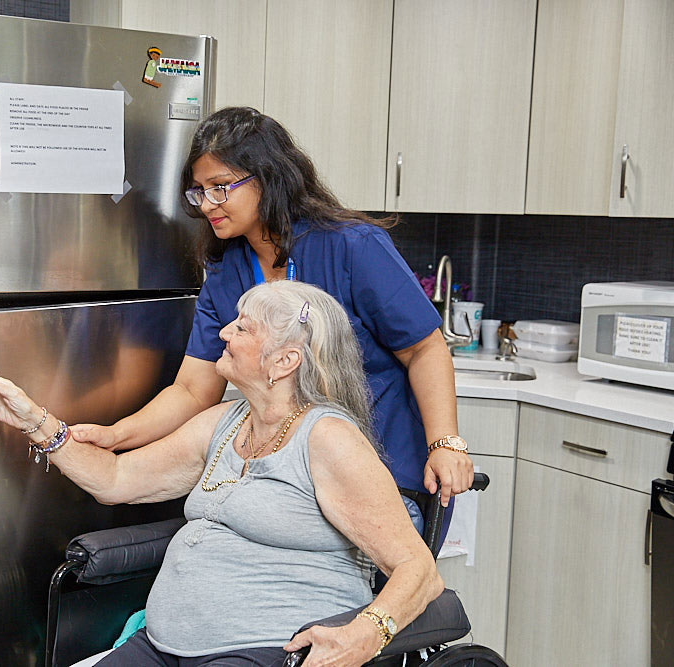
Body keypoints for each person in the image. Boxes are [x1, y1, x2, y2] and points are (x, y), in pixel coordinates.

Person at [0, 281, 443, 666]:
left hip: (263, 649)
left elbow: (418, 570)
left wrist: (365, 635)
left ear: (284, 361)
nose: (224, 334)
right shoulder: (224, 421)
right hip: (164, 644)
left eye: (243, 328)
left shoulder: (328, 439)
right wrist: (33, 420)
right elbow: (114, 479)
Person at [71, 106, 472, 507]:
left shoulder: (352, 247)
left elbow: (424, 348)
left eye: (221, 186)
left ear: (268, 178)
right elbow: (193, 390)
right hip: (291, 482)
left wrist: (446, 443)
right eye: (199, 191)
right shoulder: (227, 272)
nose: (208, 204)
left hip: (385, 474)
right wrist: (117, 434)